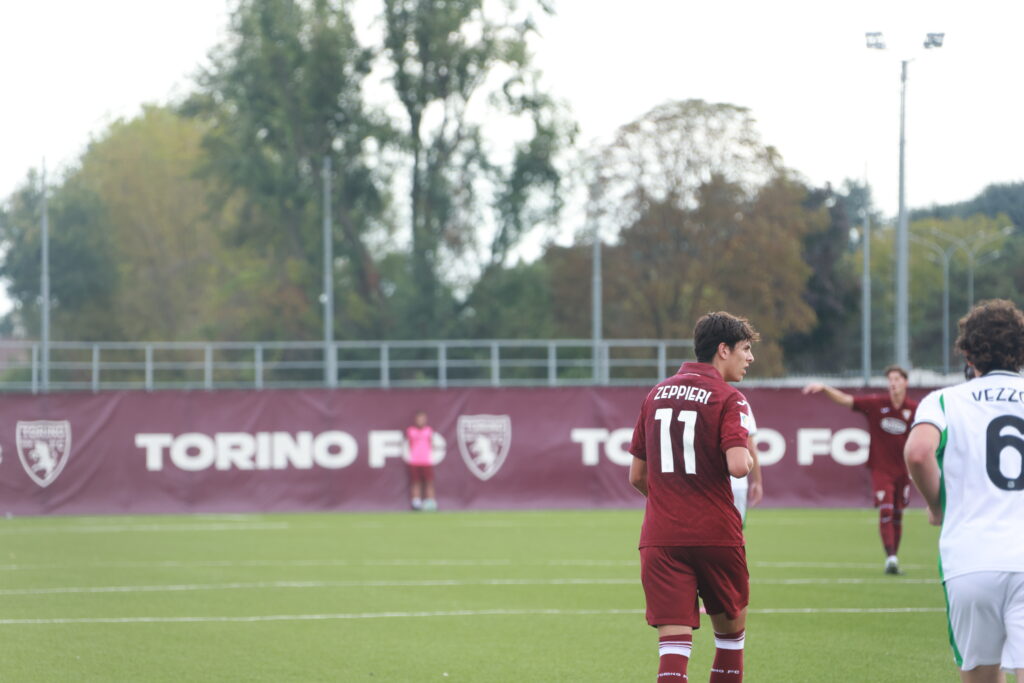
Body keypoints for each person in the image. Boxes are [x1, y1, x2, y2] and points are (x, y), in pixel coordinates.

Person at [629, 311, 758, 682]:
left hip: (661, 537)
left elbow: (637, 475)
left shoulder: (655, 394)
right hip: (715, 535)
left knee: (673, 650)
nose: (749, 358)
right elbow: (738, 466)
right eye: (745, 349)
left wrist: (673, 499)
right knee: (730, 641)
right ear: (723, 349)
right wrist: (748, 456)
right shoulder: (730, 398)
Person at [905, 299, 1024, 683]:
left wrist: (938, 504)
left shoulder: (944, 400)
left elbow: (919, 452)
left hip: (971, 559)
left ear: (967, 352)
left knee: (980, 677)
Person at [802, 365, 917, 575]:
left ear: (905, 382)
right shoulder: (877, 404)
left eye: (897, 379)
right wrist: (825, 388)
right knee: (887, 509)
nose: (893, 383)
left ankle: (894, 558)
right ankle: (890, 557)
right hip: (881, 469)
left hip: (903, 471)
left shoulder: (915, 409)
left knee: (898, 514)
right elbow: (847, 400)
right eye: (890, 379)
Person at [405, 411, 437, 511]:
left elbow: (431, 444)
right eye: (419, 418)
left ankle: (431, 502)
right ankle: (416, 503)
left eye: (423, 418)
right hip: (414, 461)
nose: (421, 420)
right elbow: (409, 445)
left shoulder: (428, 430)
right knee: (416, 482)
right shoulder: (411, 431)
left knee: (429, 482)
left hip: (426, 461)